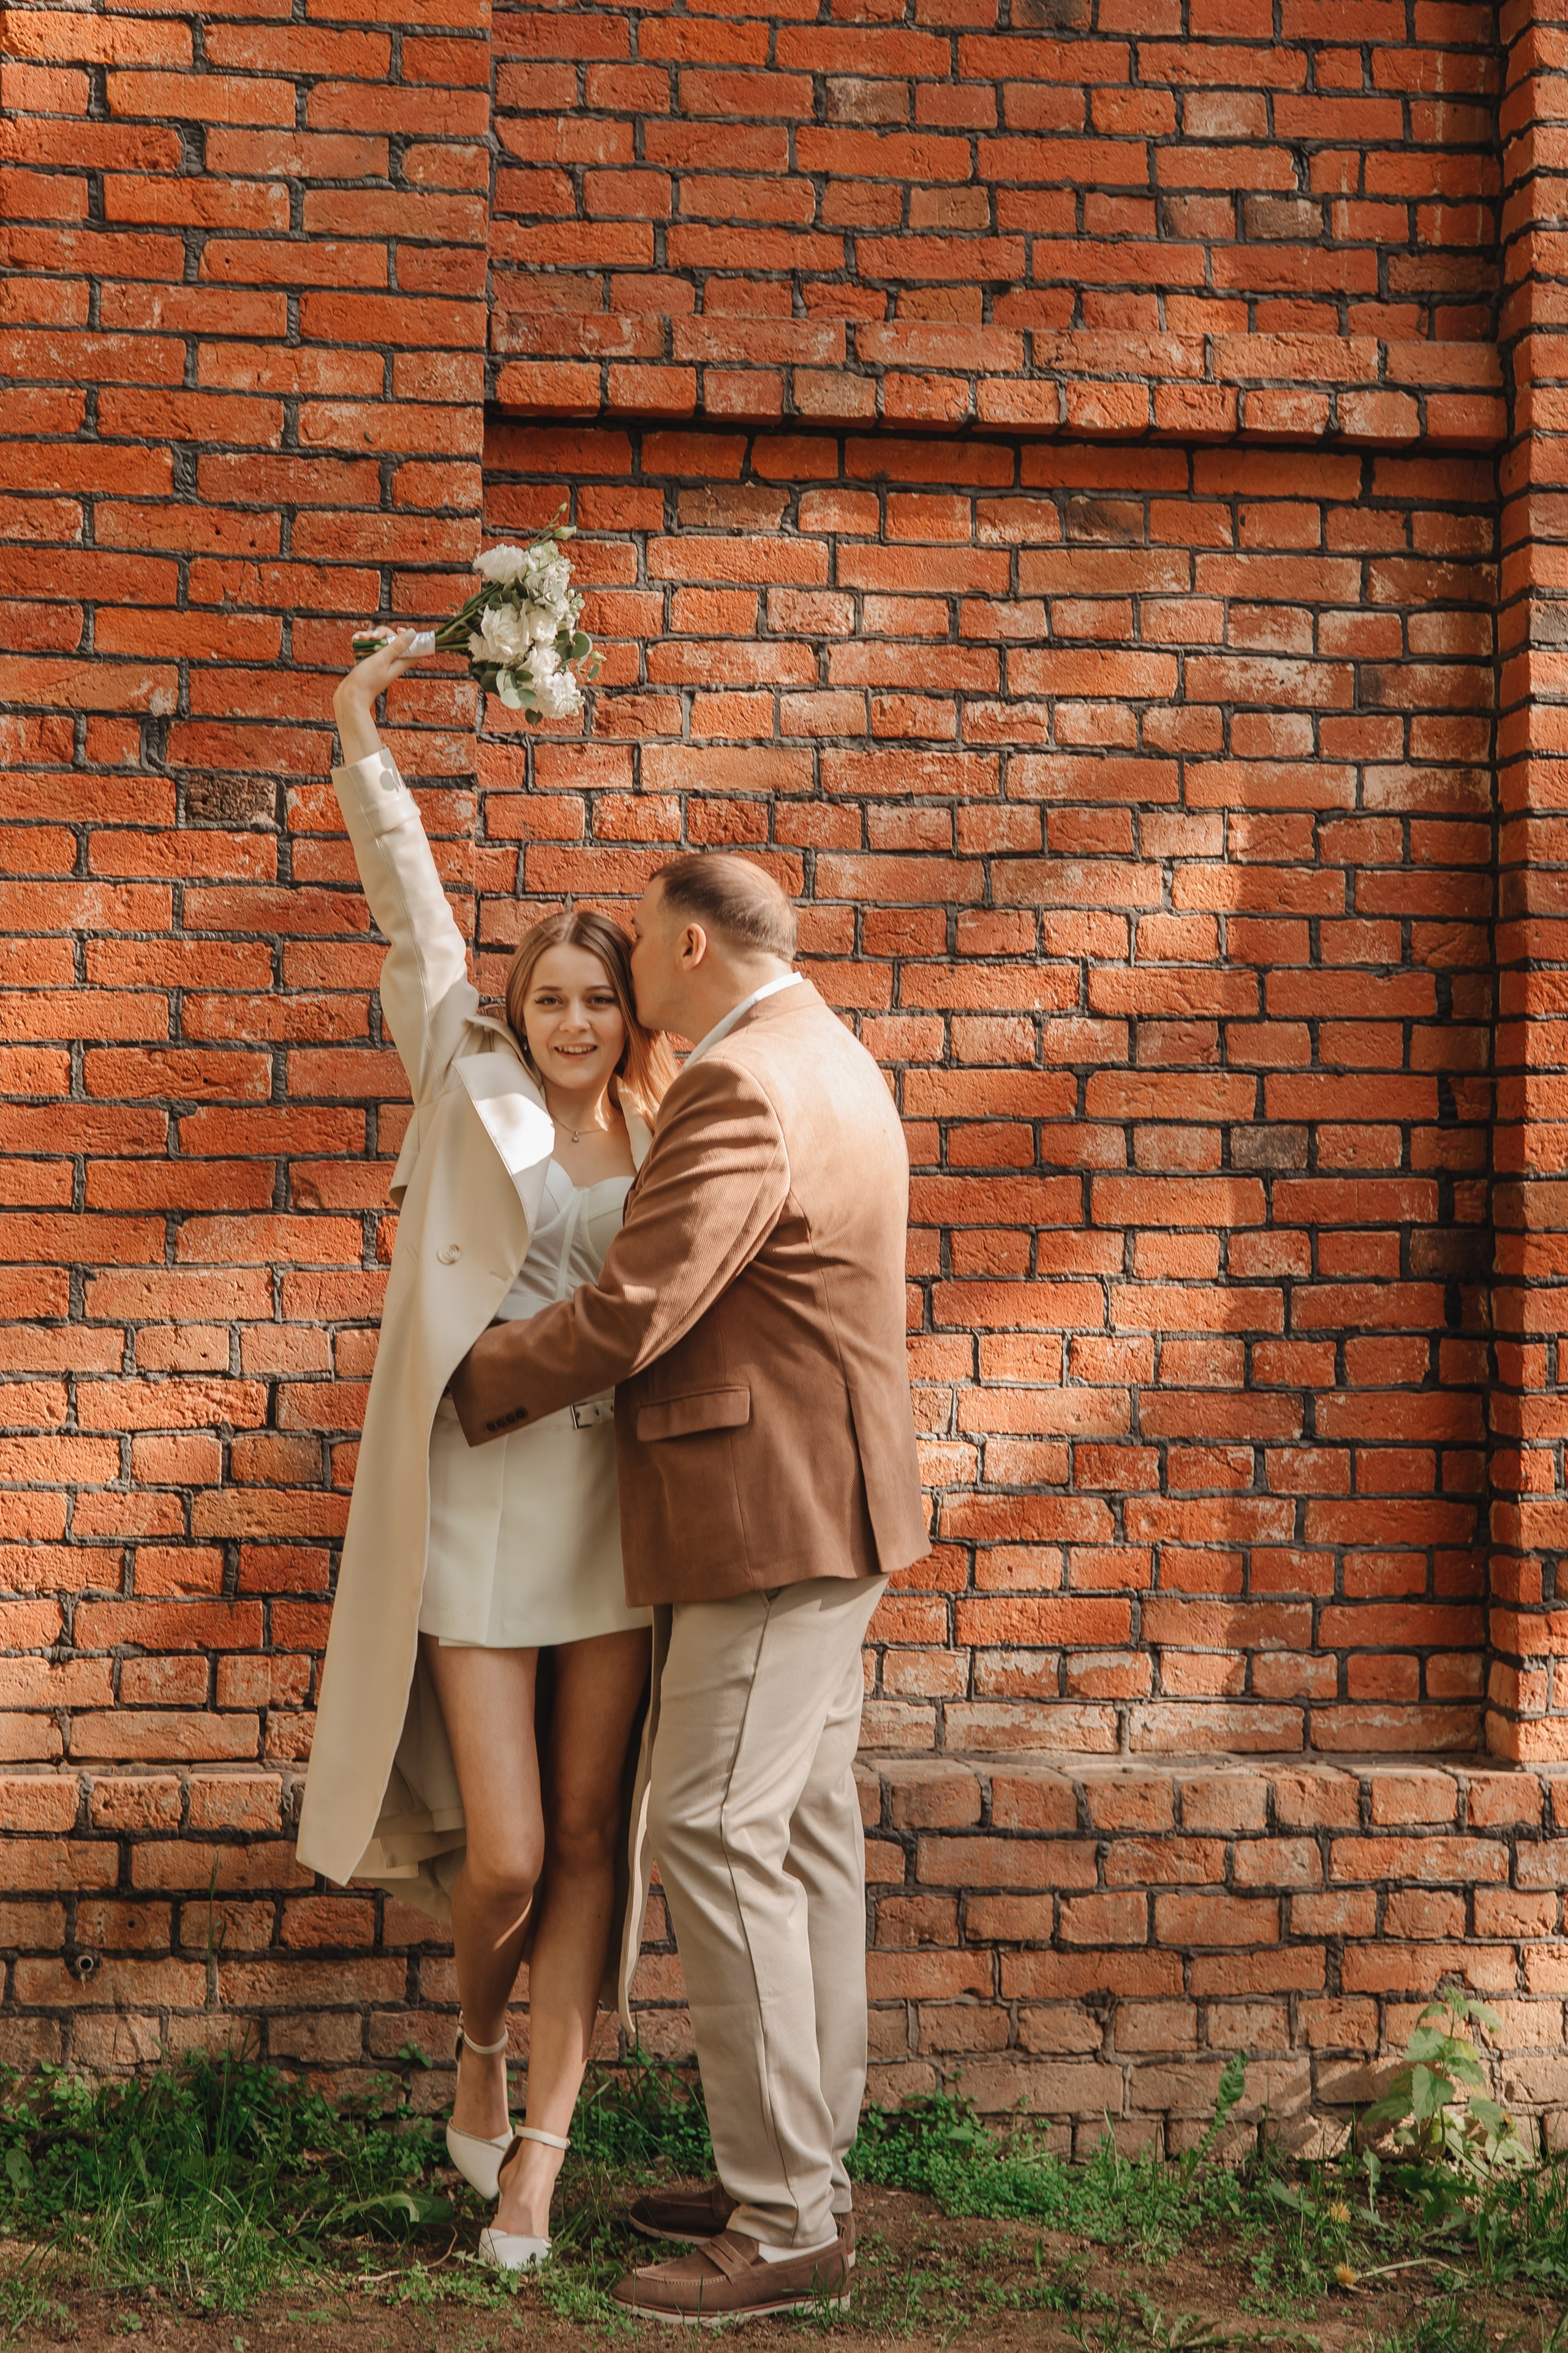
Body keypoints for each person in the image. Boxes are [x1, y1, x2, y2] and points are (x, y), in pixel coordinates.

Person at [448, 850, 930, 2322]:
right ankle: (806, 2171)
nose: (628, 989)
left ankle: (784, 2217)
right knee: (799, 1837)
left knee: (715, 1827)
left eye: (642, 959)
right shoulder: (827, 1047)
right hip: (831, 1504)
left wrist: (473, 1374)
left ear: (688, 949)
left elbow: (646, 1302)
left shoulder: (737, 1082)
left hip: (762, 1514)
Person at [294, 630, 676, 2272]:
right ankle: (472, 2039)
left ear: (630, 1009)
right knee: (507, 1849)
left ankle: (541, 2157)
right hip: (472, 1496)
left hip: (613, 1504)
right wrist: (359, 726)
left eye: (601, 996)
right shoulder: (464, 1074)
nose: (575, 1018)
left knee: (594, 1837)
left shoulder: (675, 1124)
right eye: (552, 995)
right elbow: (412, 913)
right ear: (517, 1007)